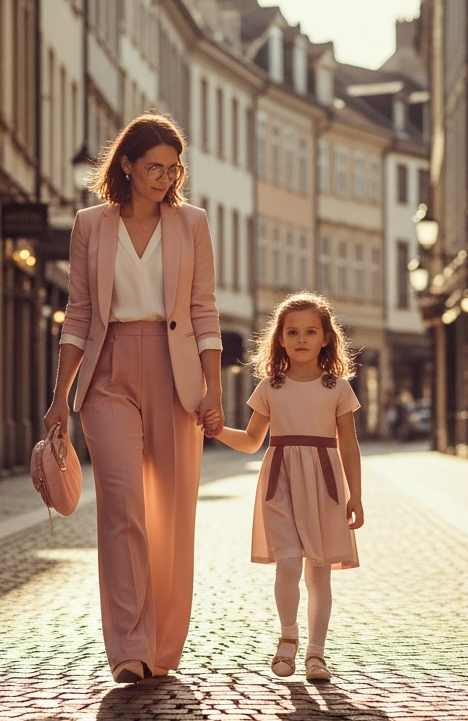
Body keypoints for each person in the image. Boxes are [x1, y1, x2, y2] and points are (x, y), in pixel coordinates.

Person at [42, 113, 223, 685]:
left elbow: (203, 311)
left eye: (172, 170)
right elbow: (77, 314)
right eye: (153, 168)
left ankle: (163, 644)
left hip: (176, 375)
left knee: (171, 513)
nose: (165, 179)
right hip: (109, 373)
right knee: (122, 508)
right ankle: (128, 646)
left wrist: (213, 389)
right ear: (125, 164)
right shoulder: (90, 225)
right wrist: (59, 398)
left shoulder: (191, 224)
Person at [205, 292, 363, 682]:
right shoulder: (270, 387)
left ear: (326, 337)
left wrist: (355, 495)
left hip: (325, 484)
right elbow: (251, 440)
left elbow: (349, 444)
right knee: (289, 562)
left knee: (319, 572)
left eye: (311, 331)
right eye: (292, 331)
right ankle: (288, 639)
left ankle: (316, 654)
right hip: (280, 483)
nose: (301, 339)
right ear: (279, 338)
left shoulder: (337, 388)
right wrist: (217, 431)